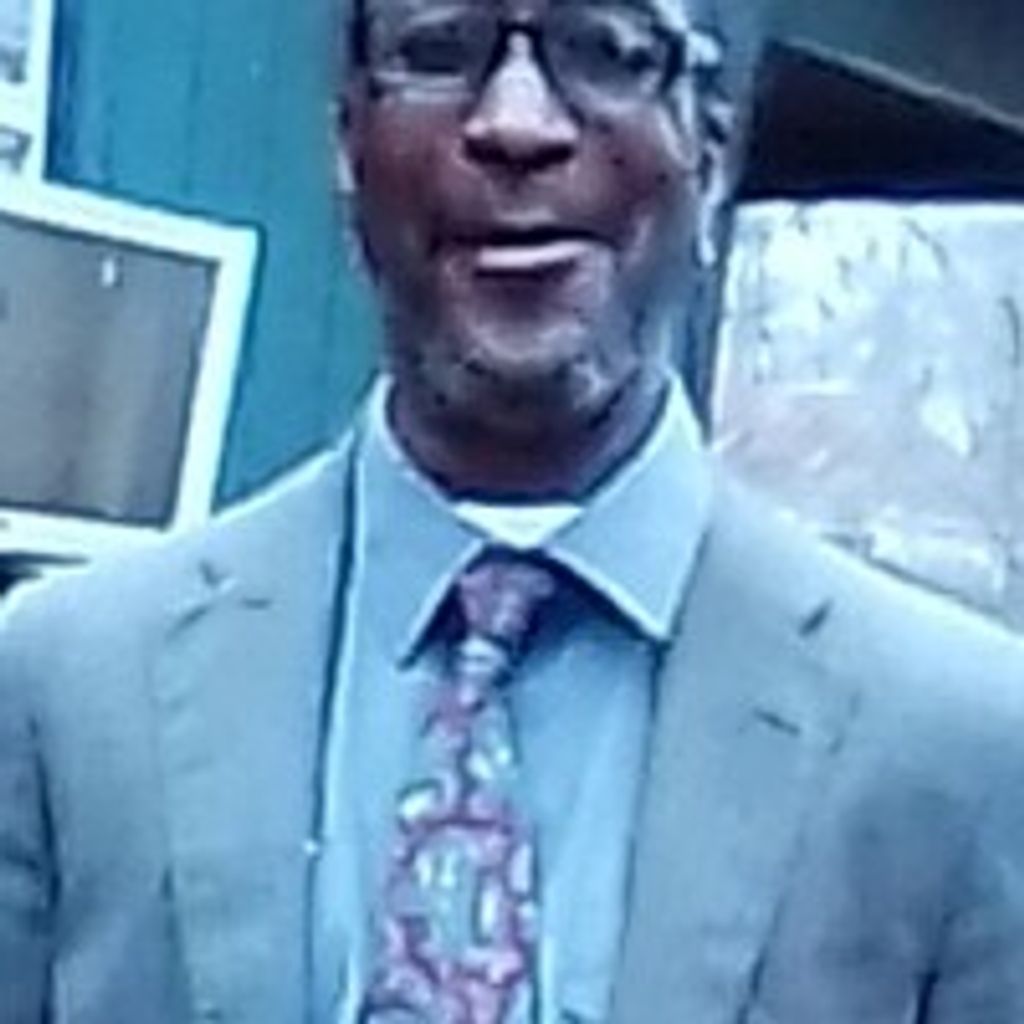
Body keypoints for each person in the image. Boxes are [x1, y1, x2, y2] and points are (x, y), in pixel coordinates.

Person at [3, 0, 1024, 1020]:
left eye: (605, 50)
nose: (517, 121)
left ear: (710, 154)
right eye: (440, 49)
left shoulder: (960, 747)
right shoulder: (66, 691)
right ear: (347, 143)